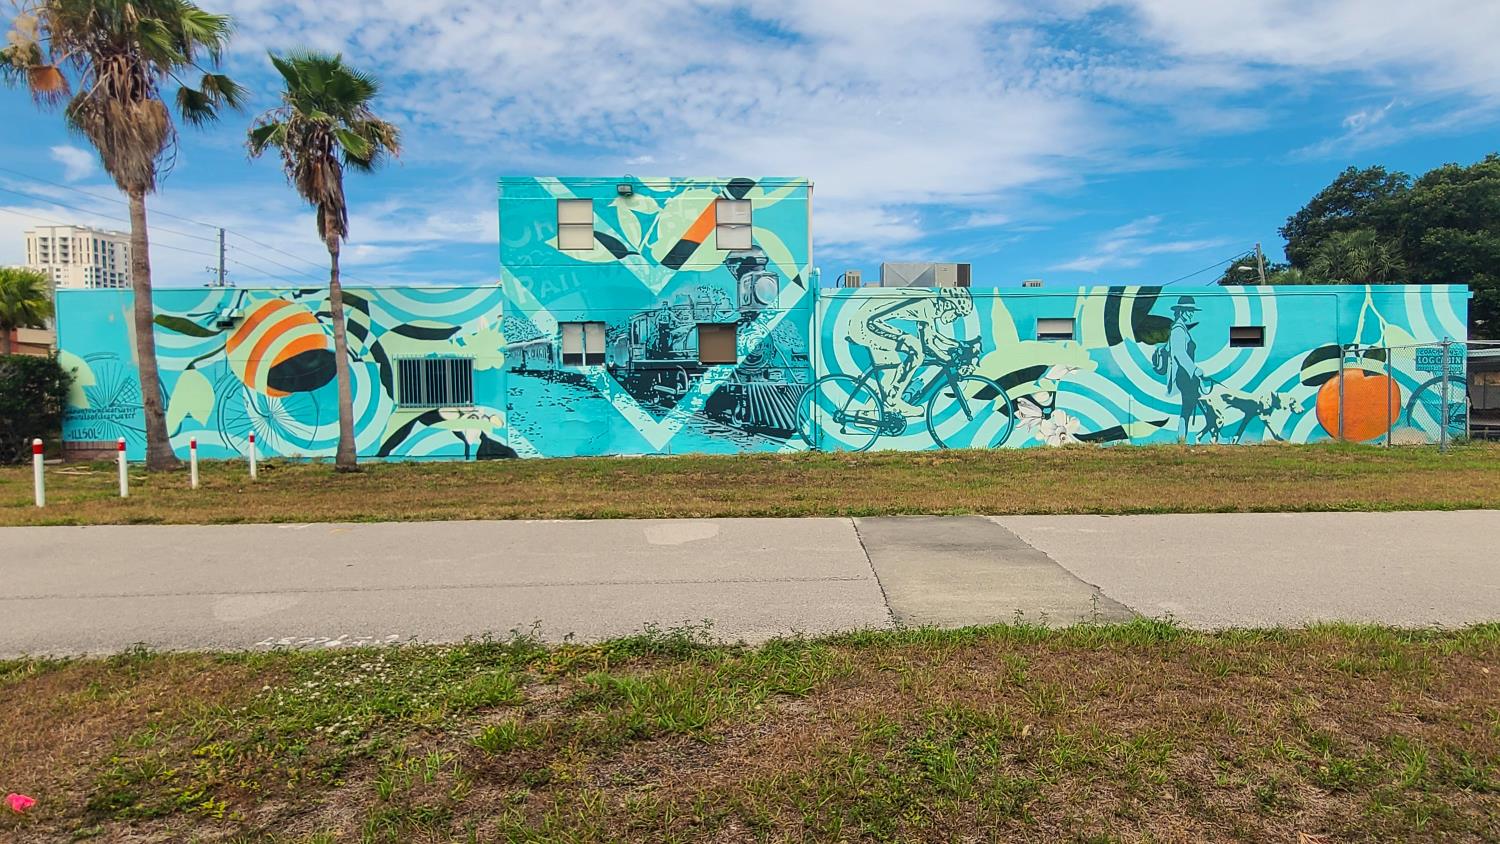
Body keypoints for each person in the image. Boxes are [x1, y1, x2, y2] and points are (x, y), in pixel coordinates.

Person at [847, 288, 974, 416]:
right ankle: (894, 401)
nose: (955, 318)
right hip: (865, 324)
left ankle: (868, 414)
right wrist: (948, 359)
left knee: (893, 373)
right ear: (947, 304)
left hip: (867, 322)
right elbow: (928, 343)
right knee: (916, 349)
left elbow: (933, 336)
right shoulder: (927, 304)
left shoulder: (930, 303)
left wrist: (957, 345)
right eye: (956, 313)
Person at [1164, 295, 1204, 442]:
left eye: (1192, 311)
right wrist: (1195, 370)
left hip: (1187, 375)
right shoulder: (1178, 330)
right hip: (1183, 376)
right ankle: (1182, 438)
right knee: (1189, 406)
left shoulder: (1182, 329)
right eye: (1189, 310)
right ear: (1181, 311)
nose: (1191, 313)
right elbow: (1179, 354)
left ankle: (1182, 439)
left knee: (1188, 408)